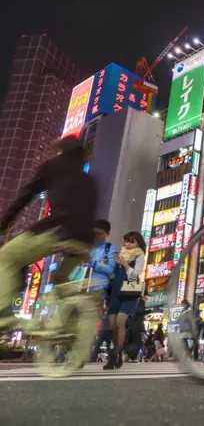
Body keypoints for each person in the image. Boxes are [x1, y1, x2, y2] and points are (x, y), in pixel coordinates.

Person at [0, 136, 97, 331]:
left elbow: (25, 194)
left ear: (61, 150)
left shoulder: (53, 166)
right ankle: (70, 326)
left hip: (59, 230)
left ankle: (3, 312)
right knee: (60, 281)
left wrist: (4, 223)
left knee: (7, 257)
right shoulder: (89, 181)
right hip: (85, 241)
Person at [103, 231, 147, 370]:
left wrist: (125, 264)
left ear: (138, 243)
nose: (127, 244)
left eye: (131, 242)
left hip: (130, 291)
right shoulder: (119, 254)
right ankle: (117, 354)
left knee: (119, 321)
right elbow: (112, 273)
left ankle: (113, 356)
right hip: (115, 292)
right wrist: (108, 264)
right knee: (111, 326)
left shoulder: (139, 255)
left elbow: (135, 275)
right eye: (126, 241)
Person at [89, 220, 117, 294]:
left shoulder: (110, 248)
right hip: (80, 285)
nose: (97, 236)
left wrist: (94, 263)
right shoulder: (86, 246)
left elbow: (111, 269)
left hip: (98, 288)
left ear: (107, 234)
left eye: (100, 234)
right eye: (95, 233)